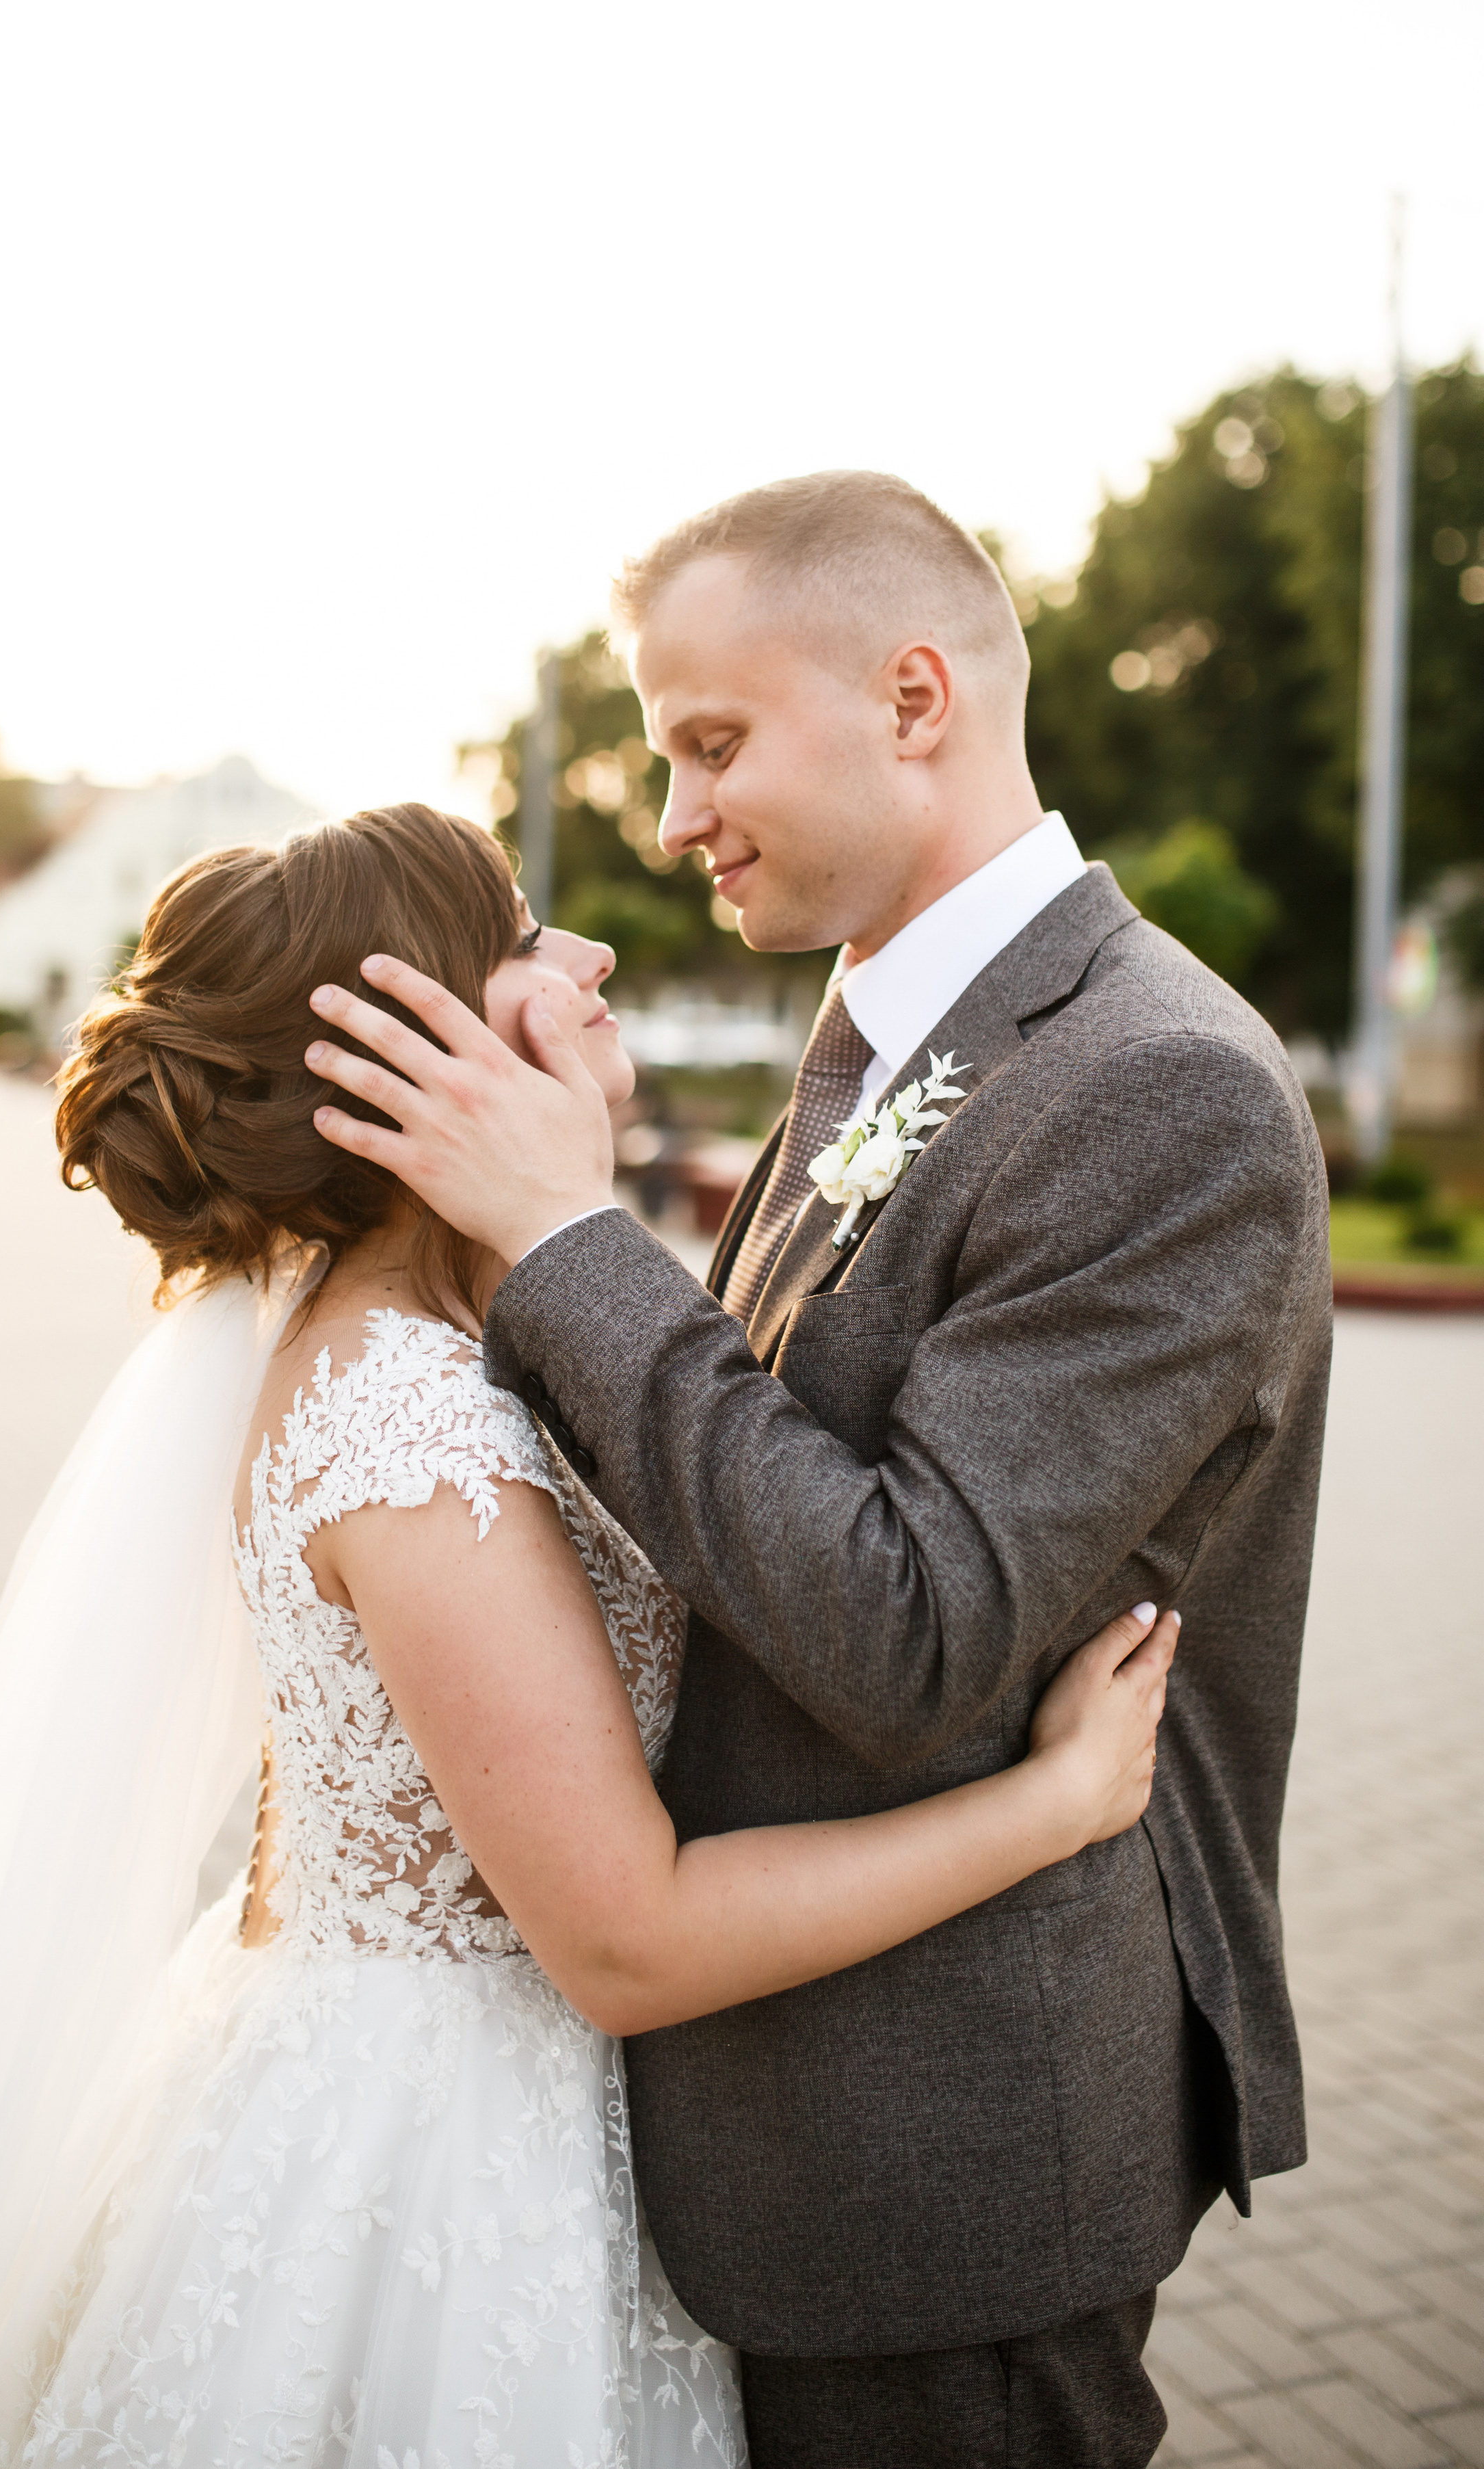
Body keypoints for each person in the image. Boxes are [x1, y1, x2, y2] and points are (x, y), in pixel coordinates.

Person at [0, 802, 1176, 2469]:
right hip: (427, 2161)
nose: (589, 955)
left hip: (473, 2094)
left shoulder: (475, 1327)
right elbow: (621, 1937)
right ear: (422, 1046)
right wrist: (1051, 1804)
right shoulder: (408, 1422)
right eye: (522, 935)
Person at [300, 477, 1334, 2468]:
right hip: (783, 2092)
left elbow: (911, 1627)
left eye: (707, 744)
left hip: (944, 2150)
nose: (670, 819)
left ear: (915, 697)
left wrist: (564, 1246)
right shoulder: (881, 1031)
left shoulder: (1159, 1087)